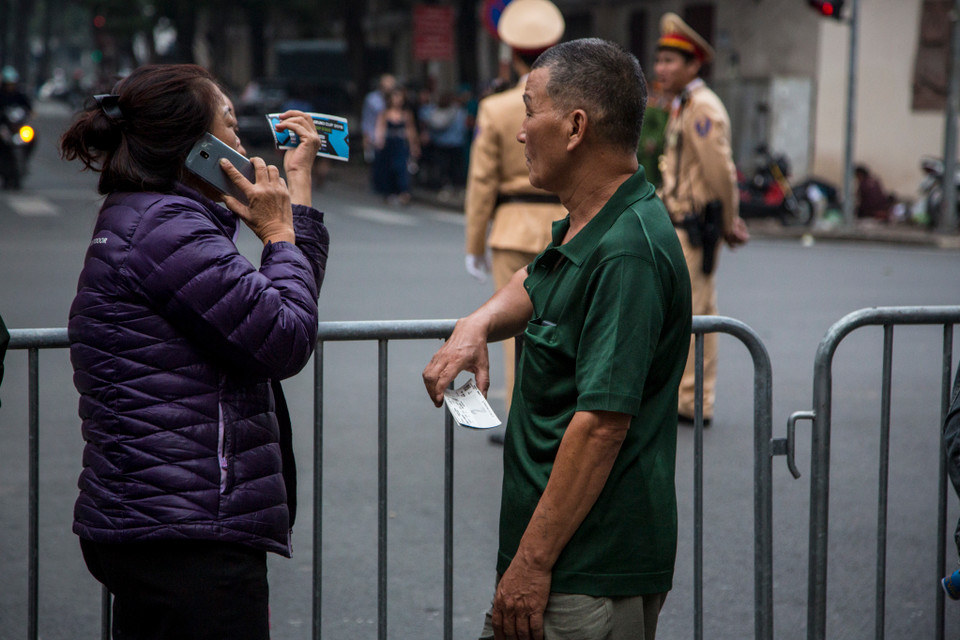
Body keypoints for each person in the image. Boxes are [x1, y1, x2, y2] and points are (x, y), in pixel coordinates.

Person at [424, 38, 692, 640]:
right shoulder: (592, 219)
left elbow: (601, 426)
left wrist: (531, 564)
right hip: (567, 563)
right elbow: (540, 276)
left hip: (586, 571)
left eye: (528, 110)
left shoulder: (627, 251)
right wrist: (480, 323)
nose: (519, 131)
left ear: (575, 127)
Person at [60, 64, 329, 640]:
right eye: (229, 123)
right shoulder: (169, 229)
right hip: (188, 534)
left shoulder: (150, 217)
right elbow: (283, 337)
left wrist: (296, 198)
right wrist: (280, 235)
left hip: (162, 520)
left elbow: (277, 310)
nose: (240, 140)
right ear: (196, 145)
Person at [463, 0, 567, 443]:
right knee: (563, 324)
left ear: (511, 50)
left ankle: (520, 419)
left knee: (512, 329)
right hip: (565, 222)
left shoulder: (496, 108)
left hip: (510, 226)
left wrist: (474, 243)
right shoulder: (567, 104)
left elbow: (481, 181)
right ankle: (561, 414)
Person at [655, 13, 749, 426]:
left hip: (694, 228)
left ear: (694, 65)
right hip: (680, 223)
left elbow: (720, 172)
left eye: (671, 61)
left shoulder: (702, 107)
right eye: (658, 60)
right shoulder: (686, 105)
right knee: (692, 313)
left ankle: (693, 401)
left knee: (692, 316)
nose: (661, 68)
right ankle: (689, 397)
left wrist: (730, 221)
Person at [373, 87, 420, 205]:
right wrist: (379, 140)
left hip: (400, 144)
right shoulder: (385, 113)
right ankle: (389, 192)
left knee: (402, 168)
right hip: (389, 144)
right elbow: (380, 127)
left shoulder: (406, 114)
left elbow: (410, 130)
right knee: (388, 168)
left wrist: (414, 145)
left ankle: (404, 192)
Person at [361, 73, 396, 163]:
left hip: (392, 139)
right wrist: (366, 136)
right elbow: (367, 118)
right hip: (375, 139)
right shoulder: (372, 99)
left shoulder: (396, 99)